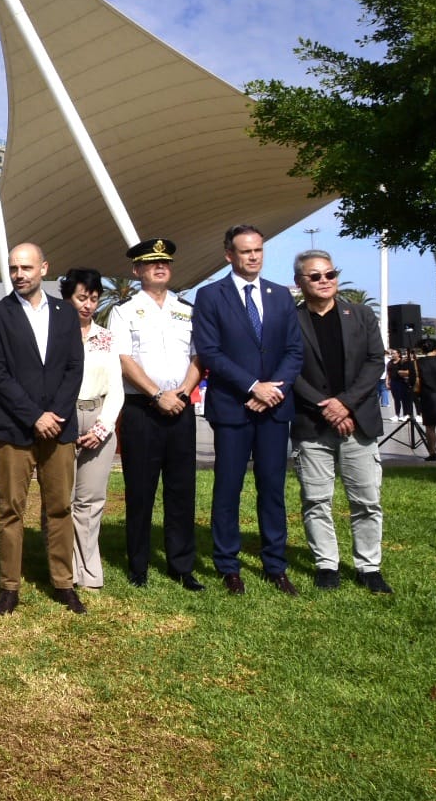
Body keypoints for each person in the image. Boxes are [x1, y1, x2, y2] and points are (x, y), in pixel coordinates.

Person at [193, 224, 304, 596]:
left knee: (272, 488)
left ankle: (275, 563)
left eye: (258, 250)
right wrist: (252, 386)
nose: (253, 257)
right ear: (229, 255)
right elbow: (210, 352)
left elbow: (293, 350)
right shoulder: (210, 296)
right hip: (233, 408)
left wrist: (273, 389)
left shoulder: (281, 296)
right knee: (228, 488)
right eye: (245, 251)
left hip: (274, 409)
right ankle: (229, 565)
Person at [0, 243, 86, 615]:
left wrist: (54, 413)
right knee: (11, 510)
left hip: (59, 429)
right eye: (13, 268)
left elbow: (75, 367)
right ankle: (9, 586)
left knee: (59, 508)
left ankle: (63, 583)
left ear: (44, 267)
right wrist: (33, 416)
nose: (19, 274)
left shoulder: (66, 314)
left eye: (26, 267)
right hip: (13, 429)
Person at [289, 251, 393, 593]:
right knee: (316, 499)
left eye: (330, 274)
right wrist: (325, 407)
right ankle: (327, 565)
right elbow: (288, 369)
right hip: (312, 424)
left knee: (366, 499)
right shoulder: (291, 320)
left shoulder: (361, 315)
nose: (324, 281)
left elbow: (375, 361)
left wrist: (344, 405)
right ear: (300, 282)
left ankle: (368, 566)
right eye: (315, 276)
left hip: (357, 422)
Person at [106, 238, 203, 591]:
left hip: (181, 408)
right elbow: (124, 359)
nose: (159, 267)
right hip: (142, 411)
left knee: (181, 490)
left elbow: (198, 356)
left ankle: (182, 566)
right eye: (150, 263)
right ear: (137, 271)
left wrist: (181, 392)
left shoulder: (187, 309)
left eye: (164, 262)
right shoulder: (124, 310)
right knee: (141, 490)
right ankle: (139, 566)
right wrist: (158, 394)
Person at [59, 269, 125, 591]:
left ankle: (90, 571)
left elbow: (117, 387)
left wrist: (102, 428)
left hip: (98, 415)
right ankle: (64, 570)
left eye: (94, 299)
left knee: (91, 500)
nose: (88, 305)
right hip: (63, 419)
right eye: (81, 298)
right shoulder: (54, 337)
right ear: (68, 298)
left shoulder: (107, 338)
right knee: (63, 499)